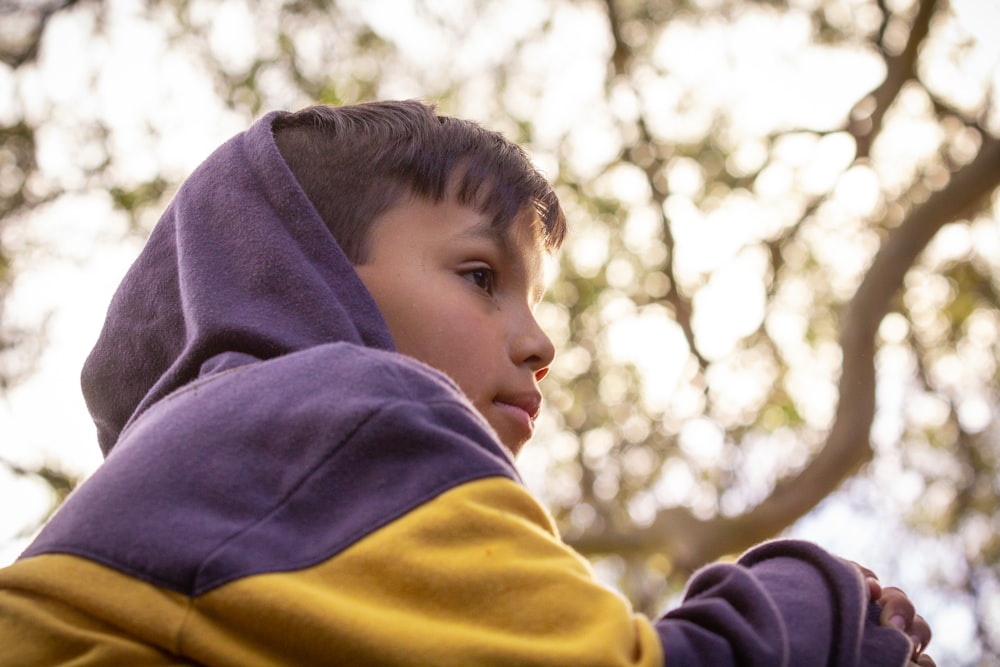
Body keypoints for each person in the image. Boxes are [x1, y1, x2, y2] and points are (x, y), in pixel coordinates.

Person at [0, 100, 934, 666]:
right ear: (306, 274)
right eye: (481, 276)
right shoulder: (340, 412)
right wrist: (830, 604)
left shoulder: (230, 487)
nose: (540, 344)